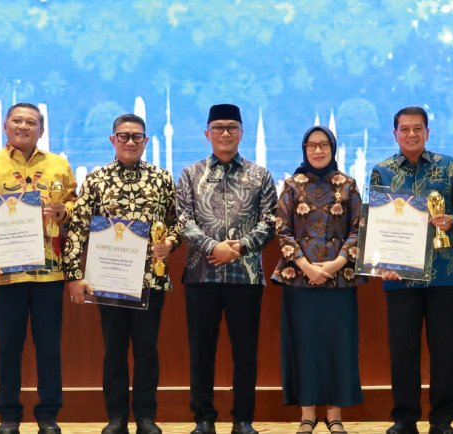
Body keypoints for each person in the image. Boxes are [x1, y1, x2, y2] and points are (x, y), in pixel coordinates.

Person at [0, 102, 78, 434]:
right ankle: (9, 414)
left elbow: (74, 202)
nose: (23, 126)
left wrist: (63, 212)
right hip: (5, 269)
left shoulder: (58, 165)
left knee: (49, 347)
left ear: (41, 129)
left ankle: (48, 414)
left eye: (30, 122)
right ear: (5, 125)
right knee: (9, 346)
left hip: (49, 271)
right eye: (17, 121)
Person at [63, 114, 181, 434]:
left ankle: (145, 417)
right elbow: (78, 228)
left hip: (149, 279)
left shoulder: (162, 178)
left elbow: (177, 223)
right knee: (114, 350)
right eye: (124, 136)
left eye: (137, 136)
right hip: (108, 279)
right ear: (112, 140)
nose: (131, 141)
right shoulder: (96, 179)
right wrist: (74, 275)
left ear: (146, 140)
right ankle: (116, 418)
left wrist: (170, 243)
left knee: (146, 350)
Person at [369, 106, 453, 434]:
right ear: (395, 134)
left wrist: (452, 220)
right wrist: (382, 263)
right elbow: (376, 221)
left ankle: (442, 421)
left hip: (444, 274)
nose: (411, 134)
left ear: (427, 132)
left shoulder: (448, 166)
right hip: (400, 276)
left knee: (445, 351)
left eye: (418, 128)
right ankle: (404, 419)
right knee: (403, 352)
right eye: (405, 129)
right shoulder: (382, 171)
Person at [176, 104, 278, 434]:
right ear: (207, 133)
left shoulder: (260, 175)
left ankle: (243, 419)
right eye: (218, 127)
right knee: (201, 351)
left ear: (241, 133)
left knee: (245, 351)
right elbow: (183, 220)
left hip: (245, 275)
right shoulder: (190, 174)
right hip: (200, 274)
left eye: (232, 127)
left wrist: (239, 248)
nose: (225, 133)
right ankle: (203, 419)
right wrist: (213, 247)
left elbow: (269, 222)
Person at [271, 125, 365, 434]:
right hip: (300, 280)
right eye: (311, 145)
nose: (318, 150)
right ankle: (307, 414)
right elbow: (282, 230)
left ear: (333, 148)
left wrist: (336, 264)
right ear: (304, 149)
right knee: (304, 346)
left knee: (337, 346)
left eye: (324, 144)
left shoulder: (348, 185)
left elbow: (359, 229)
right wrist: (306, 267)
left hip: (339, 280)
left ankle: (334, 414)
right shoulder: (291, 185)